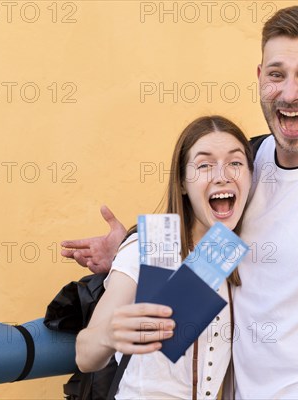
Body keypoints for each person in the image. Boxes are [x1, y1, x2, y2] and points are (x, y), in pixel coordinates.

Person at [64, 6, 298, 399]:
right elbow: (176, 310)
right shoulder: (246, 168)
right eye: (277, 74)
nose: (290, 92)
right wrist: (135, 252)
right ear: (259, 79)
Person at [74, 115, 254, 399]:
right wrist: (110, 334)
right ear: (182, 182)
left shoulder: (229, 252)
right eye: (204, 165)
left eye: (235, 162)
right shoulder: (154, 246)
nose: (222, 175)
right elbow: (85, 354)